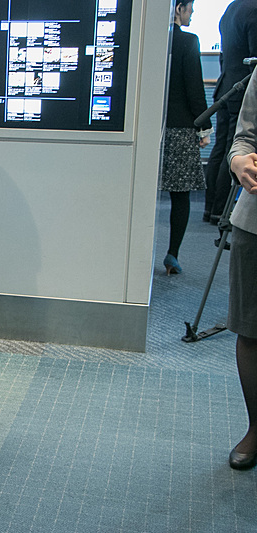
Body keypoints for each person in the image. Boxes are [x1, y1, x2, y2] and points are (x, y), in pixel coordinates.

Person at [159, 0, 211, 275]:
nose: (192, 14)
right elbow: (195, 90)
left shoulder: (154, 41)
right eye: (190, 8)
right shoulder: (189, 42)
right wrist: (203, 129)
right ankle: (172, 255)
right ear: (179, 8)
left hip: (150, 128)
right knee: (180, 196)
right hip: (180, 130)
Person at [225, 65, 257, 471]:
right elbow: (244, 136)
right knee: (250, 330)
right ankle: (256, 428)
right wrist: (238, 161)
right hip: (254, 222)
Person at [204, 0, 257, 225]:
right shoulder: (254, 9)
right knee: (233, 151)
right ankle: (221, 213)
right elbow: (255, 58)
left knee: (220, 149)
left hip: (225, 87)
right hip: (243, 91)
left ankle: (210, 209)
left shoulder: (232, 8)